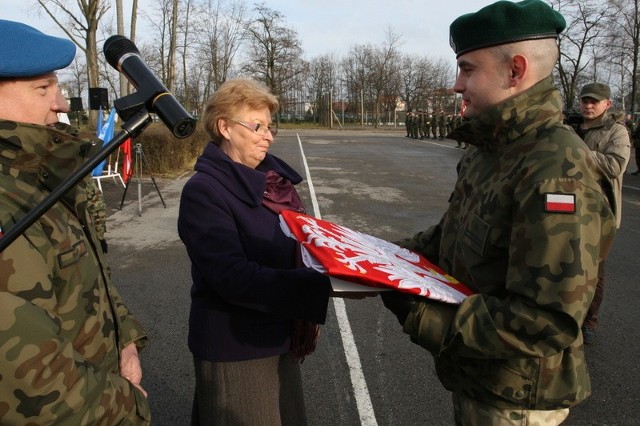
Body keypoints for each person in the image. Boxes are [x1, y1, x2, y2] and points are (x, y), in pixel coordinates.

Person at [380, 1, 617, 424]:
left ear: (515, 71)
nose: (456, 84)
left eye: (467, 69)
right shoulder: (493, 147)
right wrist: (378, 257)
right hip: (481, 380)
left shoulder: (556, 168)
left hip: (516, 400)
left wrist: (418, 312)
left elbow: (545, 320)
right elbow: (453, 235)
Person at [0, 19, 150, 424]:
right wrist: (129, 406)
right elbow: (31, 383)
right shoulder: (9, 199)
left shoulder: (45, 174)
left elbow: (92, 273)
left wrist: (125, 339)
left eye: (58, 87)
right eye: (43, 89)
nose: (62, 103)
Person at [177, 78, 335, 425]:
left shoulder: (272, 184)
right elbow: (232, 277)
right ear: (225, 128)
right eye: (257, 126)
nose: (268, 135)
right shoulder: (205, 191)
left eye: (269, 126)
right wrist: (313, 289)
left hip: (277, 336)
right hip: (237, 348)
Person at [576, 83, 631, 344]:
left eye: (594, 102)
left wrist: (576, 151)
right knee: (565, 265)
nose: (588, 105)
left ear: (607, 104)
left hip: (600, 213)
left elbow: (615, 165)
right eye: (585, 100)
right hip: (568, 209)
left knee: (595, 271)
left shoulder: (616, 131)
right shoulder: (569, 127)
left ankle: (590, 320)